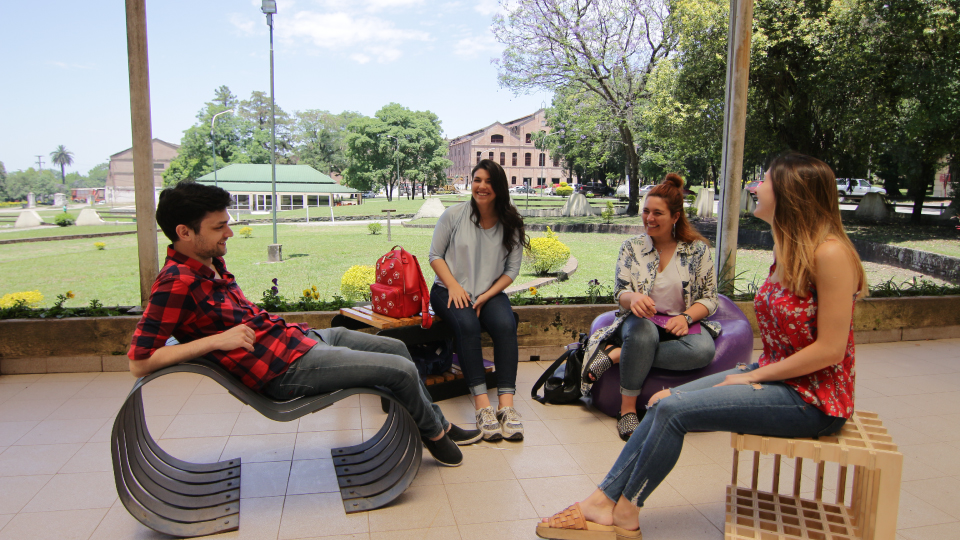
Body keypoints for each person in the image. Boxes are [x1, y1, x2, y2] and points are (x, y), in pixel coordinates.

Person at [535, 153, 866, 540]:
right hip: (779, 378)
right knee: (661, 403)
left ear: (792, 193)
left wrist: (750, 375)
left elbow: (830, 350)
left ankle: (624, 511)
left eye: (766, 182)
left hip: (813, 399)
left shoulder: (830, 253)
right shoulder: (789, 251)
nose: (755, 188)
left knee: (674, 410)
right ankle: (603, 501)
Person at [127, 182, 481, 468]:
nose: (230, 233)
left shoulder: (208, 264)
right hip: (283, 369)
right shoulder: (175, 282)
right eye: (219, 227)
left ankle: (438, 422)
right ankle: (435, 434)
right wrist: (216, 341)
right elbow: (139, 361)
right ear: (184, 232)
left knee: (396, 346)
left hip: (293, 341)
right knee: (400, 369)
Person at [580, 173, 719, 441]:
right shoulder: (631, 248)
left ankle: (616, 355)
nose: (649, 219)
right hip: (640, 322)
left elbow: (710, 298)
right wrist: (632, 299)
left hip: (677, 324)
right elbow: (619, 292)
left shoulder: (697, 251)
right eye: (646, 211)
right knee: (644, 335)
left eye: (658, 213)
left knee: (702, 350)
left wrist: (688, 317)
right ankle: (627, 410)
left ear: (675, 217)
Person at [429, 159, 529, 441]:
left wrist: (486, 296)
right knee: (468, 328)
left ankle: (506, 407)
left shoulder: (511, 222)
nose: (481, 186)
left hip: (489, 291)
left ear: (499, 187)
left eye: (488, 181)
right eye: (477, 180)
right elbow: (435, 256)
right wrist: (454, 287)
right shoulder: (453, 215)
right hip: (447, 289)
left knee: (505, 325)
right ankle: (483, 407)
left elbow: (511, 271)